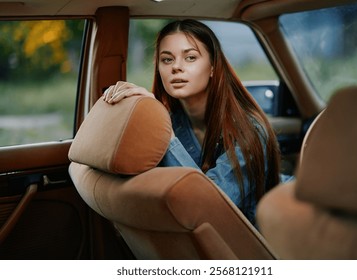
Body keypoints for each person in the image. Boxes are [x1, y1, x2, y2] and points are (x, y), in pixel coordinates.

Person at [103, 19, 281, 225]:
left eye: (190, 57)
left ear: (213, 67)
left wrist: (164, 134)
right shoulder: (171, 120)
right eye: (167, 60)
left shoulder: (250, 131)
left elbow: (206, 206)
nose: (176, 67)